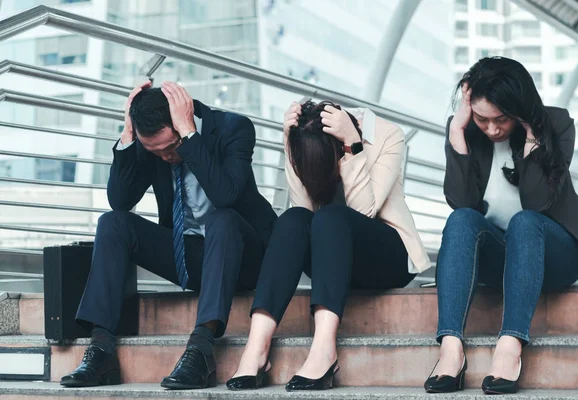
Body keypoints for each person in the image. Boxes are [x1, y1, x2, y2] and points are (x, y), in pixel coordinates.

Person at [59, 81, 277, 390]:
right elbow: (120, 200)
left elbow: (226, 194)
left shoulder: (234, 128)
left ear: (181, 119)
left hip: (242, 257)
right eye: (155, 152)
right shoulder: (153, 145)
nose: (165, 157)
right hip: (188, 256)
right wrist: (128, 135)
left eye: (170, 148)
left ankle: (200, 350)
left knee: (223, 218)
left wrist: (189, 136)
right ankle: (101, 349)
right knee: (113, 222)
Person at [226, 100, 431, 392]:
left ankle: (324, 350)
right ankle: (256, 349)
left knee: (331, 217)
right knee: (293, 219)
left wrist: (352, 146)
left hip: (386, 255)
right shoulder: (305, 141)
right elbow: (304, 211)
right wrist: (291, 147)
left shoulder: (387, 134)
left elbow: (364, 212)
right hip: (330, 259)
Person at [424, 57, 578, 395]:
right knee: (460, 220)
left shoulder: (558, 124)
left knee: (525, 221)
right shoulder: (466, 130)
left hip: (555, 253)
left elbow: (537, 204)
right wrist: (457, 134)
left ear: (518, 110)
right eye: (481, 118)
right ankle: (450, 349)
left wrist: (533, 136)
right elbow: (462, 205)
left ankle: (510, 345)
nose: (491, 129)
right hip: (499, 257)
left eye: (501, 119)